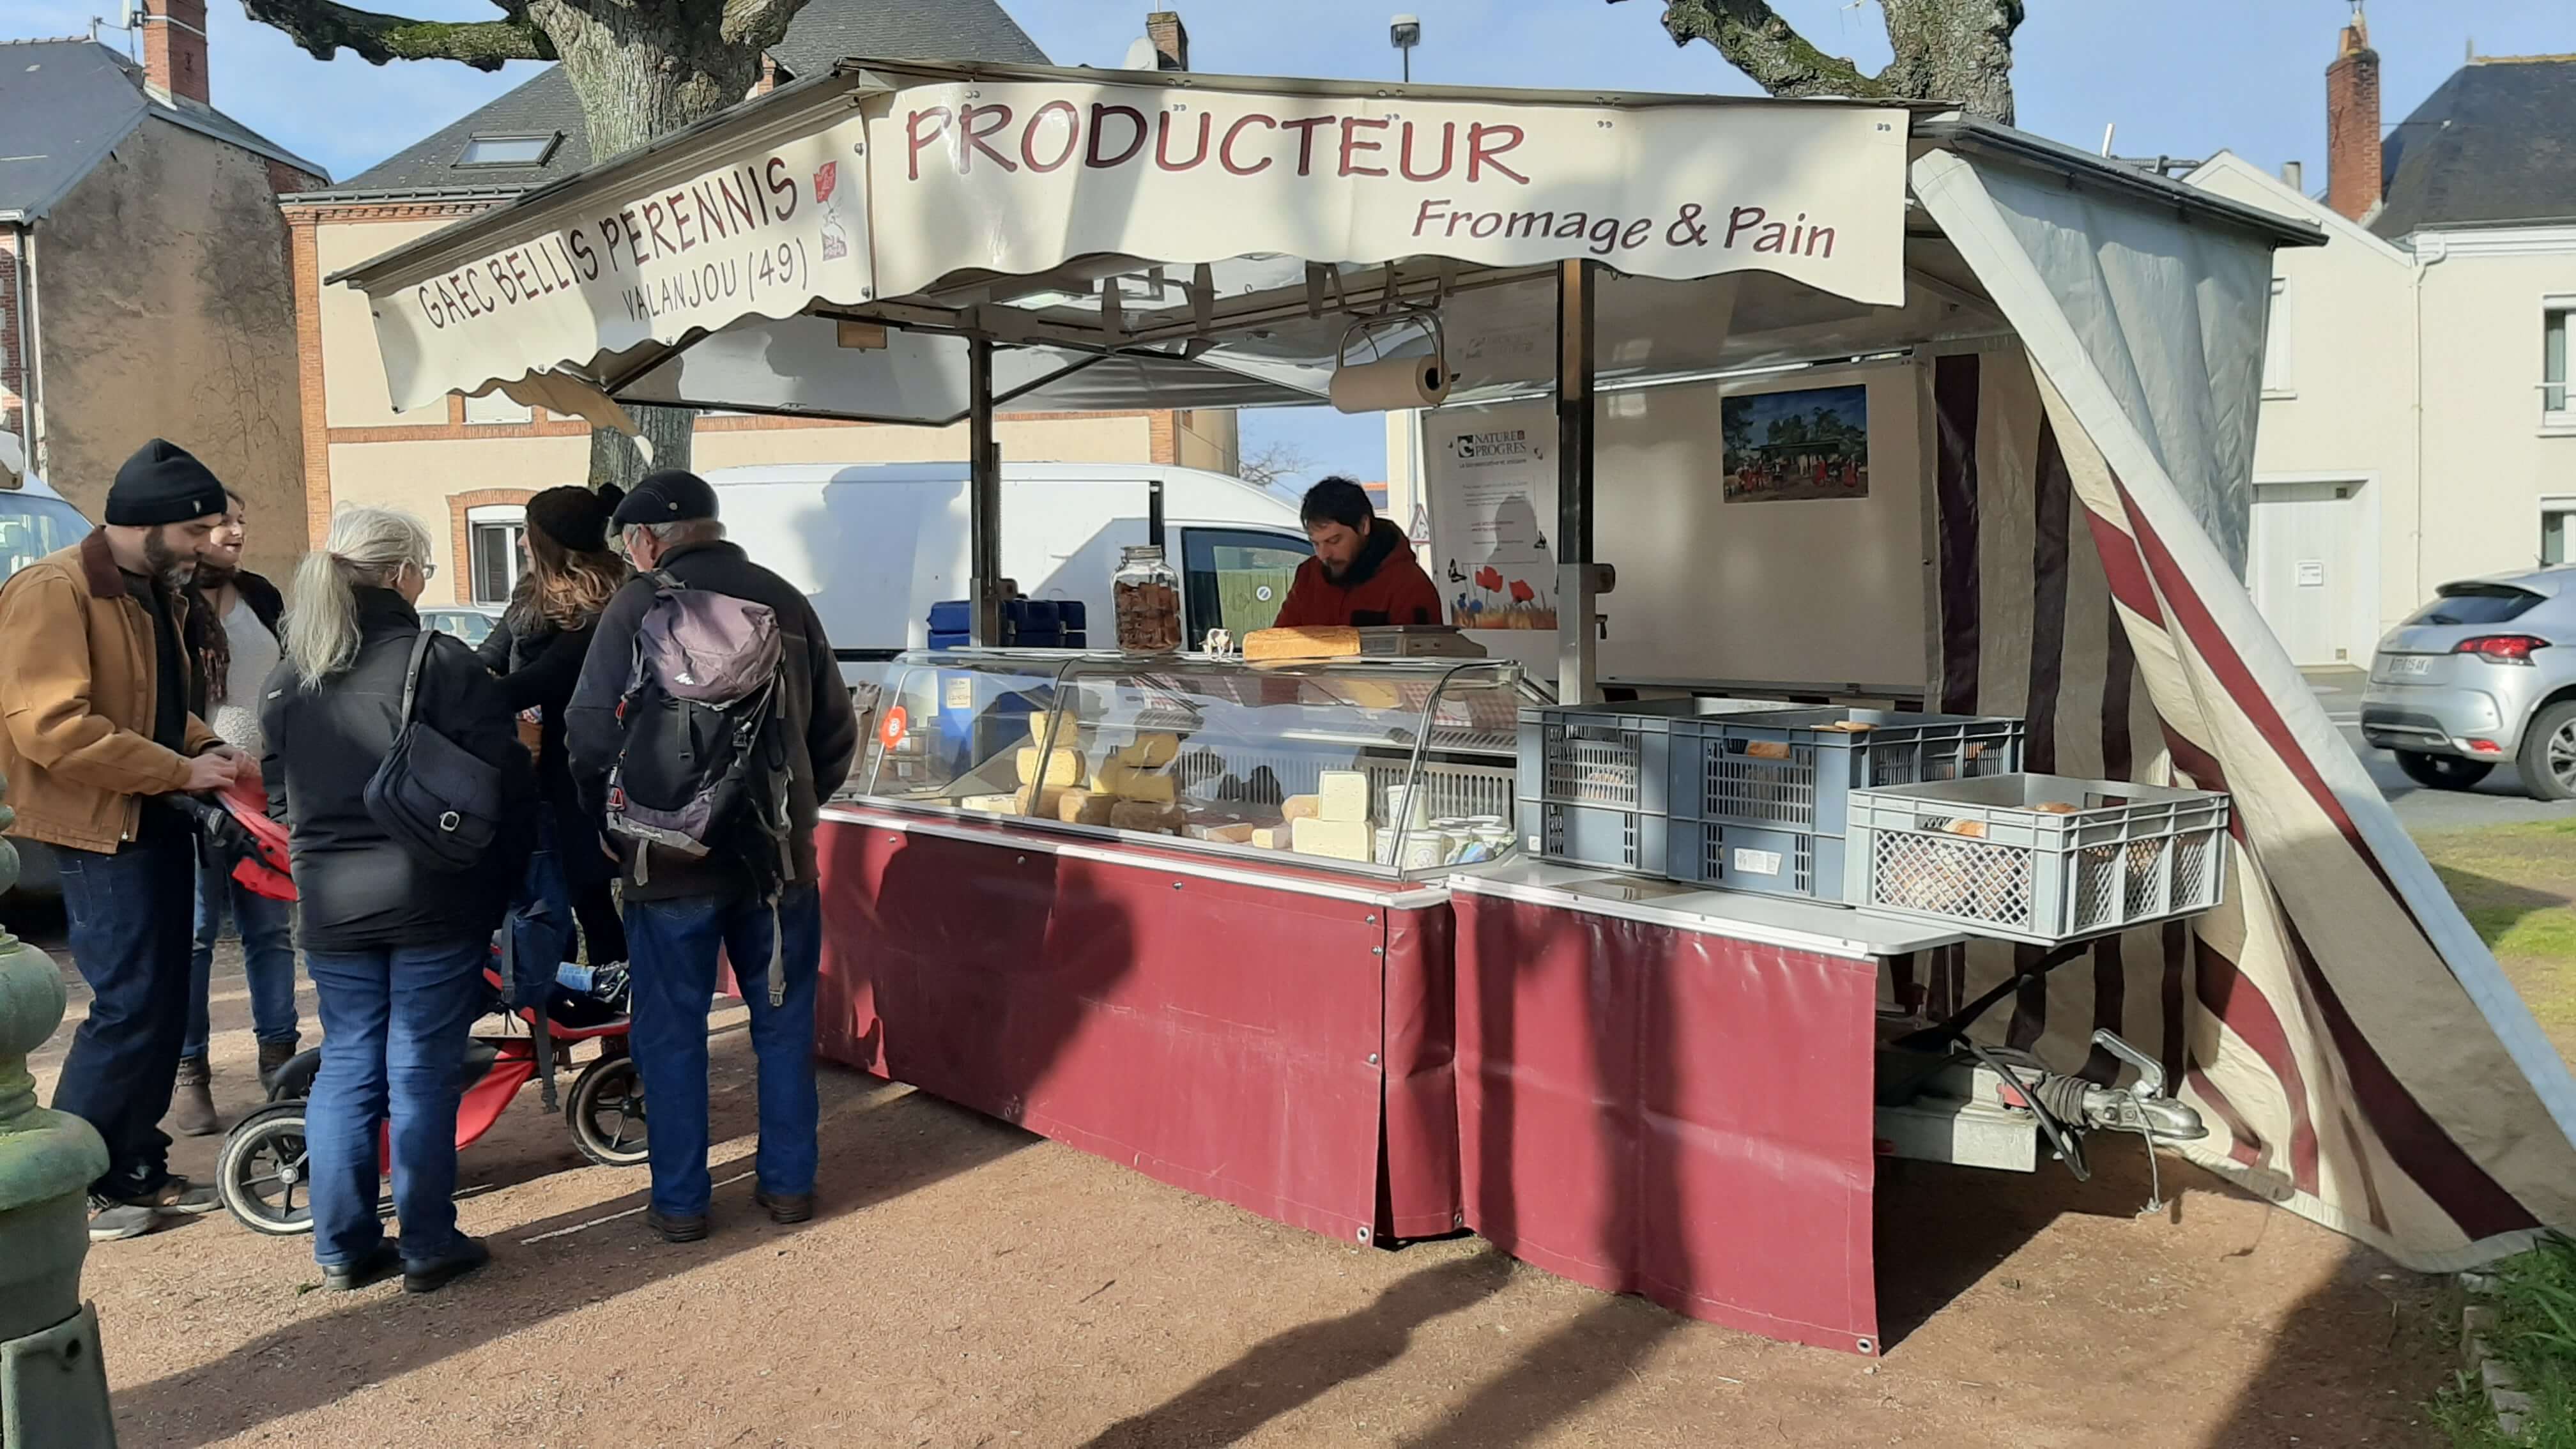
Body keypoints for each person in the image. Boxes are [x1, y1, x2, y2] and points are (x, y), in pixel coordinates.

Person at [567, 470, 857, 1244]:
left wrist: (617, 823)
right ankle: (790, 1187)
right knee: (784, 1026)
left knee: (671, 1034)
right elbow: (835, 730)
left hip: (665, 864)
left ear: (646, 540)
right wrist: (794, 810)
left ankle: (683, 1203)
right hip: (778, 866)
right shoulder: (784, 599)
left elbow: (589, 731)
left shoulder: (636, 605)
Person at [259, 507, 536, 1293]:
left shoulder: (291, 673)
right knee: (419, 1066)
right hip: (431, 890)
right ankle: (426, 1243)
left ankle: (343, 1247)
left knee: (348, 1063)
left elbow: (283, 800)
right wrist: (506, 884)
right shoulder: (437, 661)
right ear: (401, 573)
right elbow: (504, 784)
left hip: (330, 901)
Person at [0, 439, 243, 1241]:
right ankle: (76, 1184)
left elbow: (157, 704)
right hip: (101, 830)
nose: (211, 542)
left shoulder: (152, 588)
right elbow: (51, 728)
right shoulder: (53, 591)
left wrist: (205, 748)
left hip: (151, 814)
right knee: (130, 1006)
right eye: (199, 528)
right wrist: (180, 769)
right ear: (152, 524)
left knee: (162, 1002)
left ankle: (131, 1165)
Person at [169, 489, 298, 1135]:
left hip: (263, 793)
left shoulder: (262, 596)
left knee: (270, 932)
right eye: (222, 521)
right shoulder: (167, 601)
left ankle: (280, 1063)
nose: (236, 531)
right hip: (191, 793)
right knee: (194, 935)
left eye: (242, 520)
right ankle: (193, 1075)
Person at [479, 487, 629, 997]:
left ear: (554, 543)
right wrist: (466, 674)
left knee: (590, 896)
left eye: (528, 532)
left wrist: (474, 696)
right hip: (530, 772)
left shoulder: (610, 602)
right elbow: (493, 653)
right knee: (544, 900)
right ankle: (556, 1010)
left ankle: (617, 1014)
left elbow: (548, 677)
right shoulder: (529, 593)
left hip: (583, 771)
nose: (521, 542)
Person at [1271, 476, 1445, 629]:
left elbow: (1420, 659)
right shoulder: (1308, 576)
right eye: (1315, 543)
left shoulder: (1408, 585)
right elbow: (1280, 644)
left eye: (1334, 541)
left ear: (1364, 526)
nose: (1323, 555)